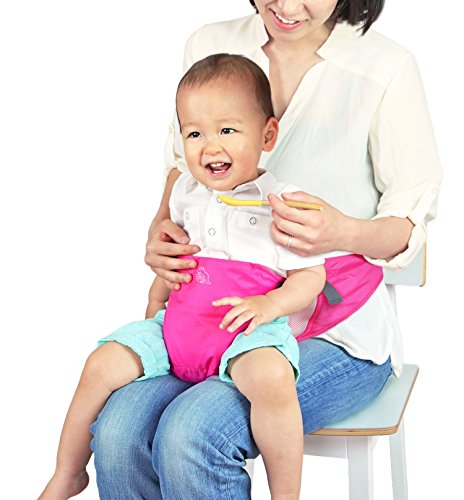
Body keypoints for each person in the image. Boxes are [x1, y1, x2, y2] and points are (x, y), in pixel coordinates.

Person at [90, 1, 442, 499]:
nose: (287, 6)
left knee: (193, 432)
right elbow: (181, 168)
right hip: (208, 322)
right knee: (118, 429)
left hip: (337, 331)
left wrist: (343, 232)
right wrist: (160, 228)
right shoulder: (211, 45)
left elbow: (408, 228)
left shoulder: (384, 68)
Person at [40, 53, 343, 500]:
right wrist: (155, 300)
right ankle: (68, 472)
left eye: (227, 130)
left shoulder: (281, 203)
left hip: (245, 334)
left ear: (267, 135)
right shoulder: (185, 192)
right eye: (195, 133)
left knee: (272, 378)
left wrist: (270, 305)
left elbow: (312, 276)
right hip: (180, 331)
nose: (210, 146)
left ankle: (286, 496)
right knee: (100, 363)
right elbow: (177, 258)